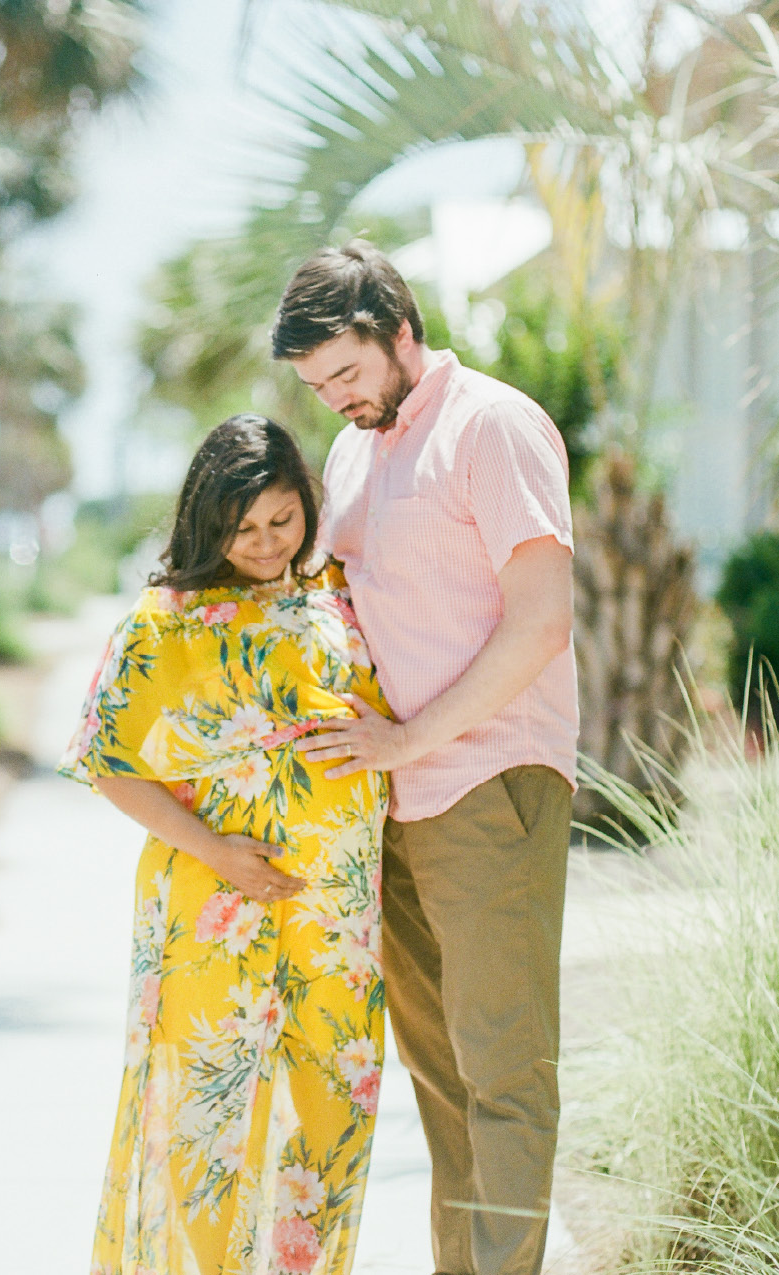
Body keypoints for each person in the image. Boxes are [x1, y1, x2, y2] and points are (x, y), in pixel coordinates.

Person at [275, 240, 577, 1275]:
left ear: (401, 331)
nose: (338, 403)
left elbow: (541, 623)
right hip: (389, 807)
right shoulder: (358, 450)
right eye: (318, 390)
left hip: (491, 785)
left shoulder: (492, 425)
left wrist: (406, 738)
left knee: (503, 1073)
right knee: (441, 1079)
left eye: (348, 375)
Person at [62, 414, 391, 1275]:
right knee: (207, 1136)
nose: (265, 543)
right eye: (242, 528)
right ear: (207, 524)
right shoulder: (165, 619)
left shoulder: (336, 595)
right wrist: (216, 848)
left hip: (338, 920)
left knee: (326, 1130)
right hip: (215, 910)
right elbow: (108, 761)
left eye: (282, 520)